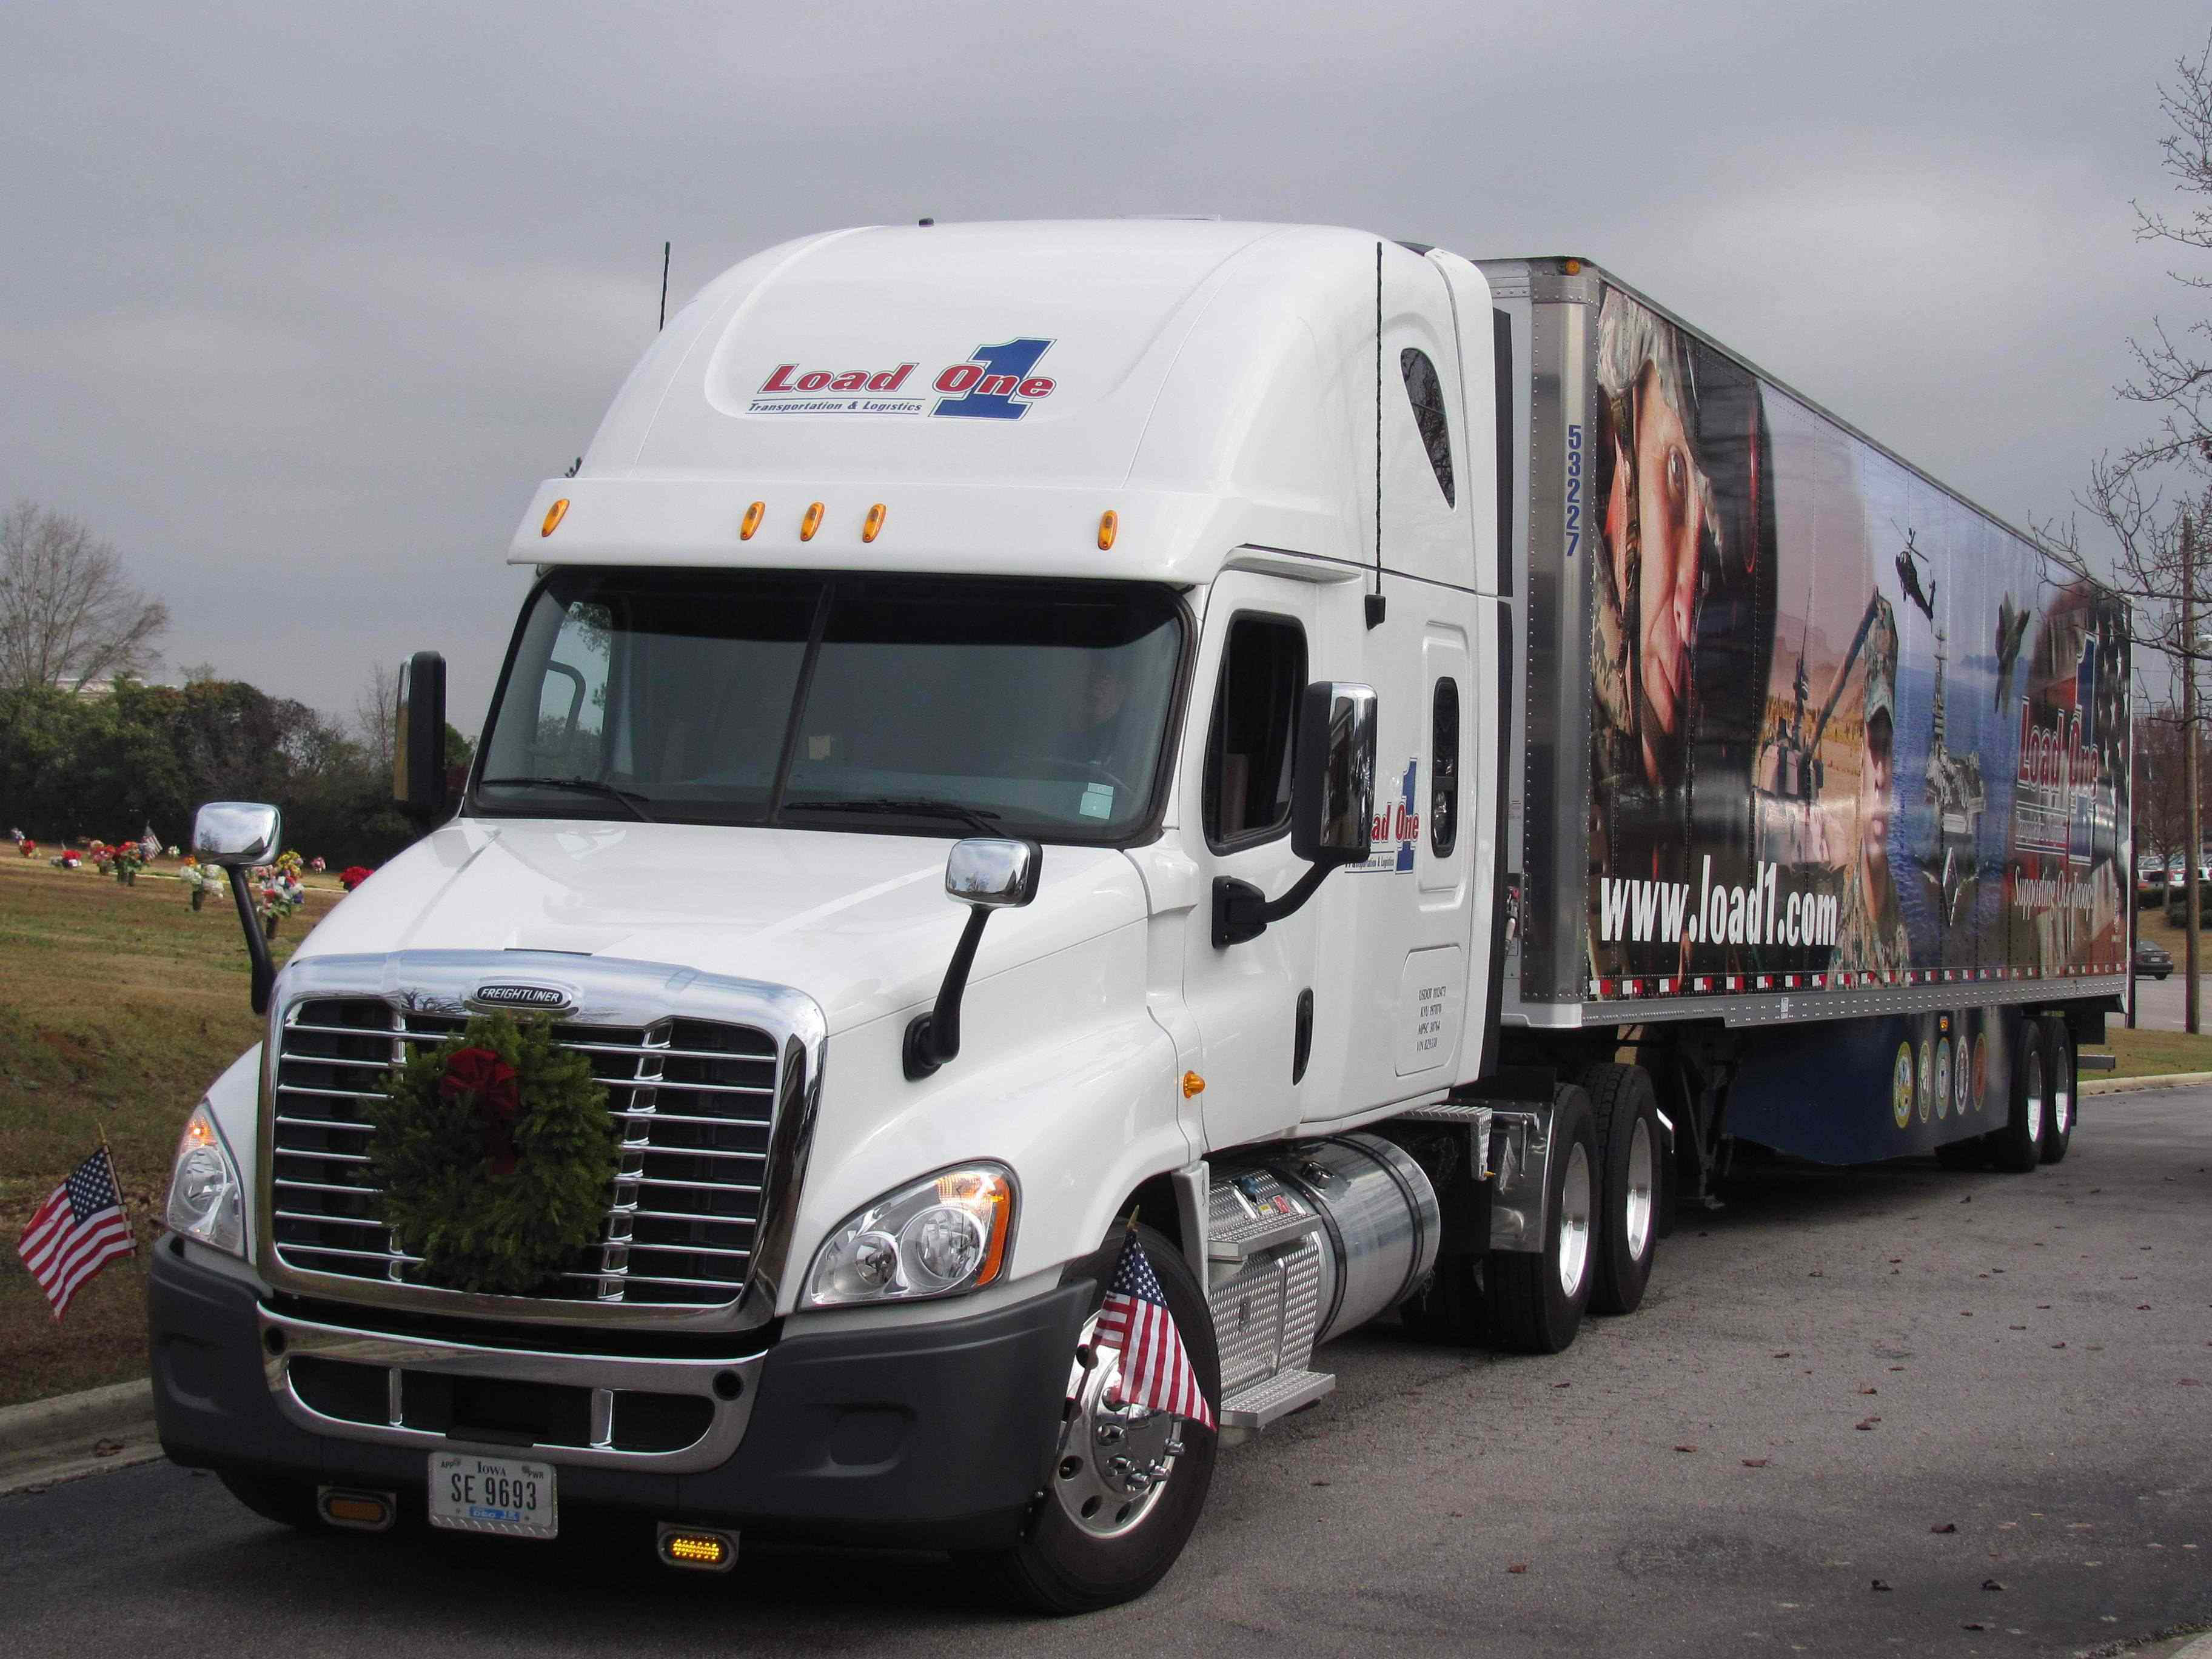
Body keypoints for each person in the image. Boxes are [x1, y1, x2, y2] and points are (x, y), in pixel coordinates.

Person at [1831, 601, 1910, 980]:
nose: (1880, 775)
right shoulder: (1838, 935)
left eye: (1889, 750)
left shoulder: (1904, 941)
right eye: (1872, 749)